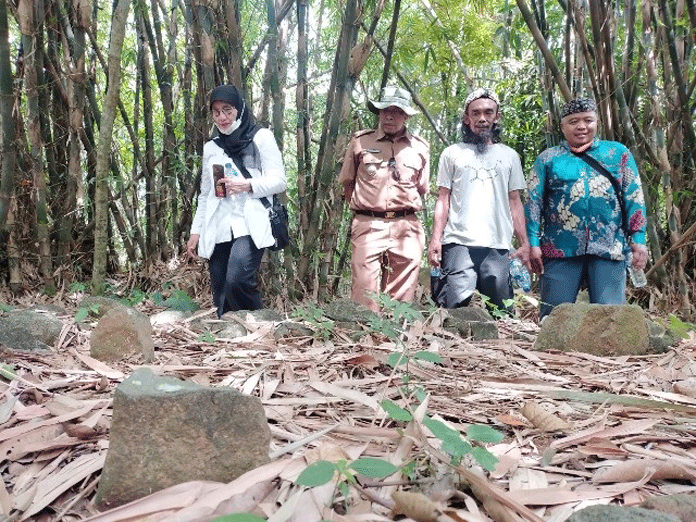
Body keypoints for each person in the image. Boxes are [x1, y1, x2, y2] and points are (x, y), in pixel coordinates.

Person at [525, 98, 648, 319]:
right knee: (554, 319)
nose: (581, 126)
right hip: (559, 250)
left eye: (588, 120)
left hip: (608, 248)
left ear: (597, 123)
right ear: (562, 127)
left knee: (609, 320)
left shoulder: (617, 154)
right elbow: (533, 203)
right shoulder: (548, 159)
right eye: (573, 121)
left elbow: (634, 197)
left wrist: (639, 240)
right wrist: (533, 243)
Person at [187, 85, 287, 316]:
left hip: (249, 222)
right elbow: (205, 193)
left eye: (227, 110)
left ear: (239, 109)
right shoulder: (212, 147)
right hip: (219, 223)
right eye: (216, 112)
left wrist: (248, 185)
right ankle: (229, 337)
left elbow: (280, 181)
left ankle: (259, 325)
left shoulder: (261, 137)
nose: (222, 117)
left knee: (238, 279)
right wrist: (196, 231)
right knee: (220, 287)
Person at [427, 88, 530, 312]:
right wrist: (436, 239)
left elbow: (515, 201)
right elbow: (443, 199)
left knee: (501, 310)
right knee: (453, 307)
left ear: (497, 116)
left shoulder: (509, 156)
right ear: (467, 118)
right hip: (458, 242)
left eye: (488, 113)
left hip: (498, 242)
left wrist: (524, 243)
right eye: (476, 113)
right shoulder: (452, 153)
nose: (482, 119)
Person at [338, 85, 430, 312]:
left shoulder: (420, 147)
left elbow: (421, 187)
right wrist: (366, 210)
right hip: (369, 222)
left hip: (406, 224)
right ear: (378, 113)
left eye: (397, 111)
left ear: (406, 115)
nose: (390, 115)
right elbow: (348, 182)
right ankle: (366, 334)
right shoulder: (361, 141)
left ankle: (395, 337)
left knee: (403, 291)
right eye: (385, 110)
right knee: (364, 289)